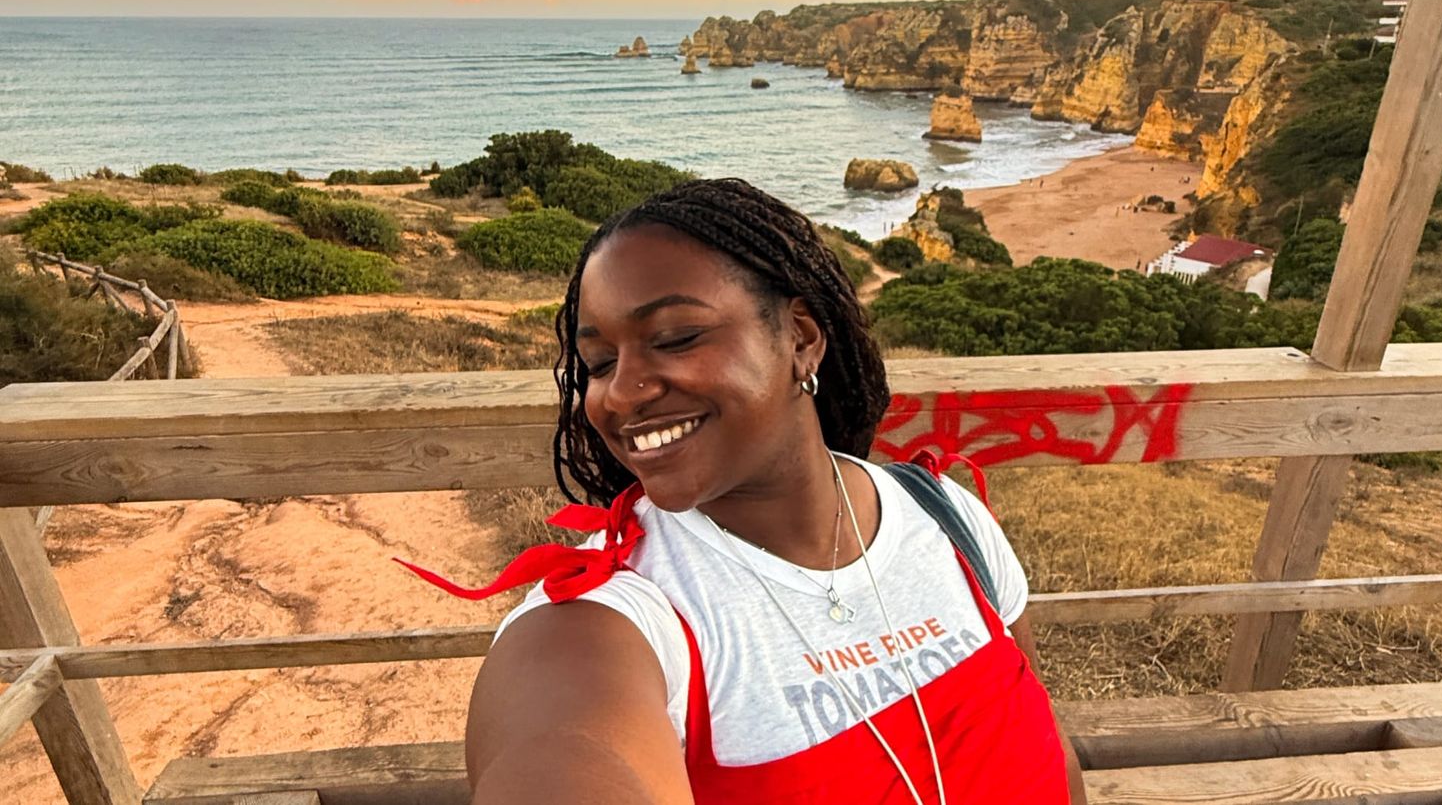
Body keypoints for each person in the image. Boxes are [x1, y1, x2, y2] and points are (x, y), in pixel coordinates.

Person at [404, 178, 1085, 804]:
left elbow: (1048, 754)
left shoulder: (945, 517)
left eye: (675, 337)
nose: (621, 391)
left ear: (801, 338)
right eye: (599, 363)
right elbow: (562, 748)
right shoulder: (602, 626)